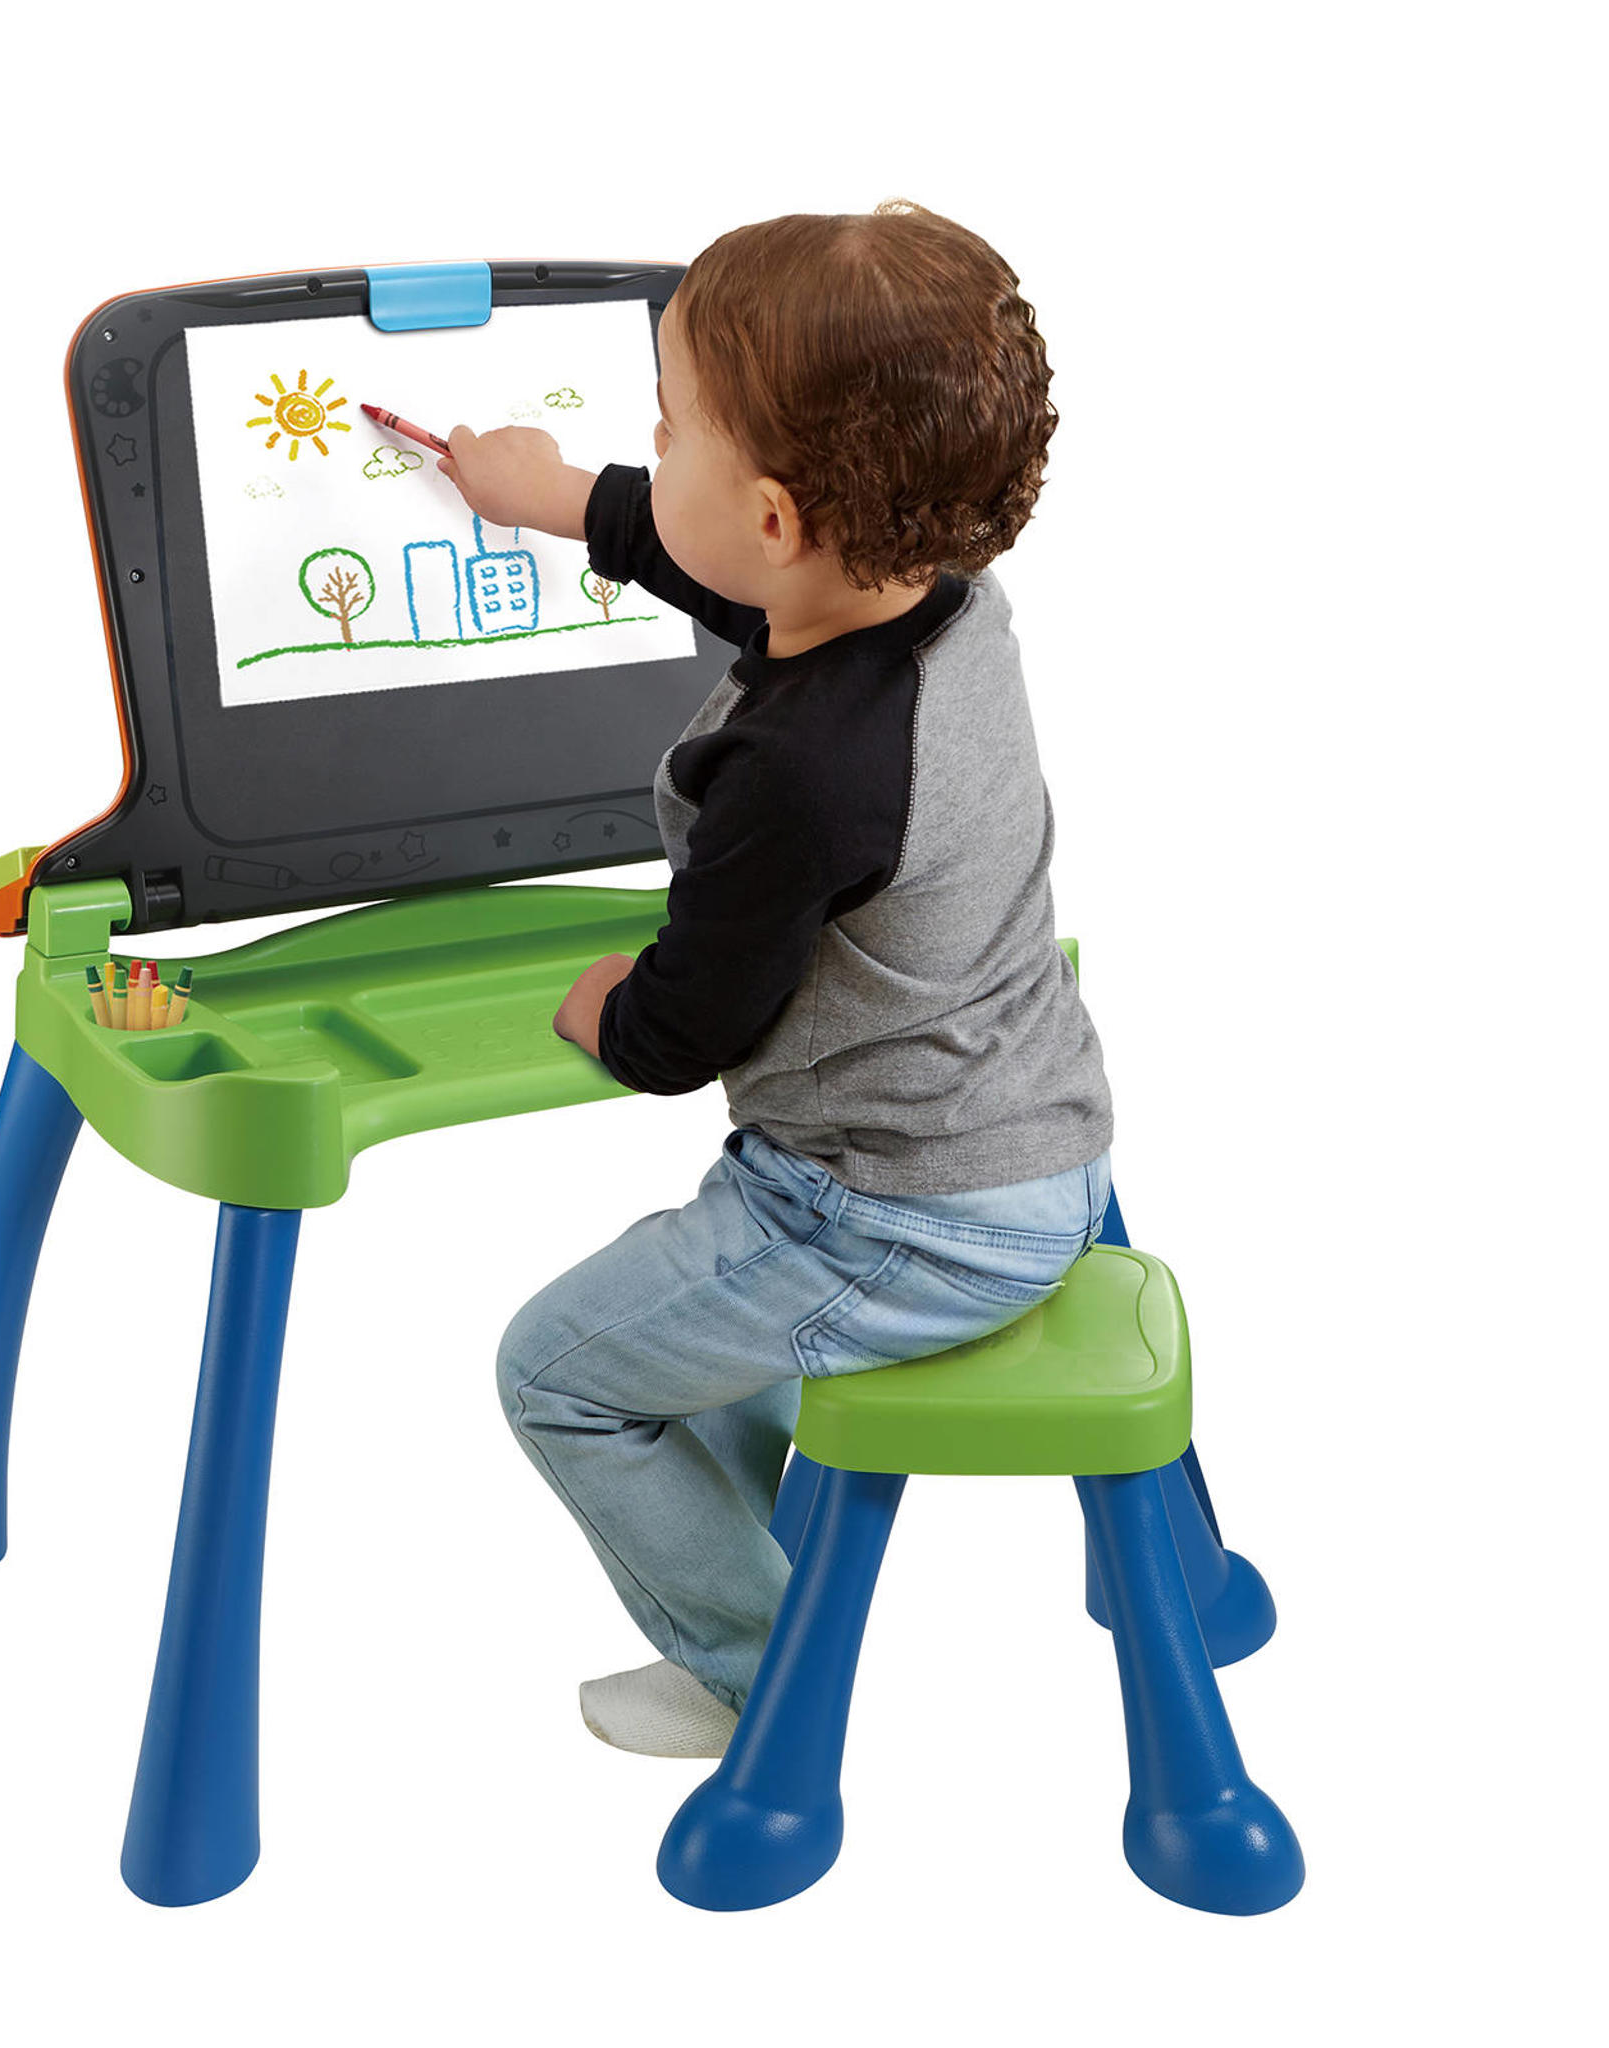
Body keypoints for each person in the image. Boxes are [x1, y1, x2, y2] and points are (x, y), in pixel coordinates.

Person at [437, 201, 1113, 1758]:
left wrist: (603, 1008)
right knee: (687, 1327)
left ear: (774, 514)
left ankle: (766, 1684)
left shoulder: (799, 775)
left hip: (896, 1214)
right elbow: (744, 580)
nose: (649, 446)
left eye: (667, 427)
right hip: (1045, 1144)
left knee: (555, 1373)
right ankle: (747, 1590)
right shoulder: (946, 601)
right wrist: (557, 497)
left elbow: (688, 1026)